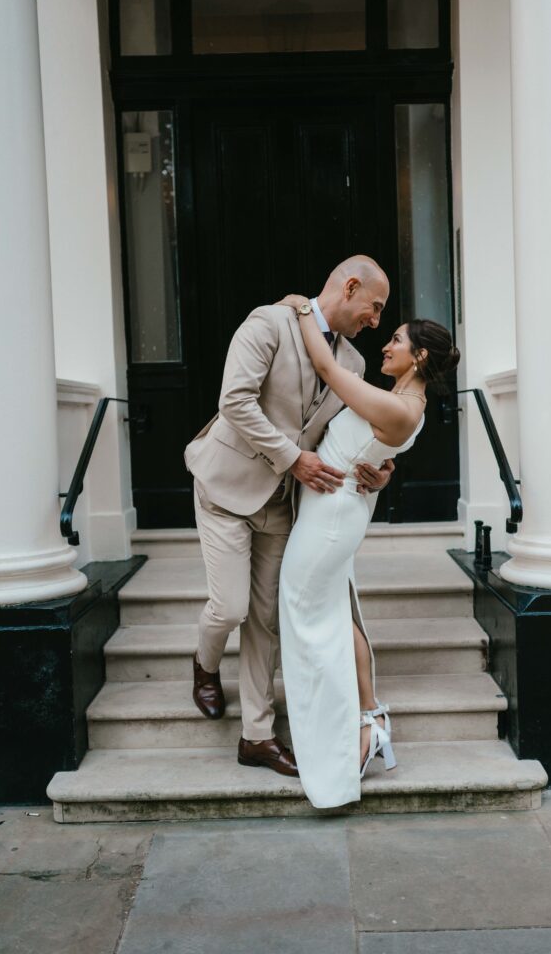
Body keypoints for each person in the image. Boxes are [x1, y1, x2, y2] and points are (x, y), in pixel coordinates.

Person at [183, 256, 393, 777]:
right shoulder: (269, 322)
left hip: (283, 504)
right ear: (349, 288)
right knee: (229, 608)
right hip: (226, 488)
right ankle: (204, 664)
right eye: (375, 306)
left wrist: (378, 471)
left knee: (266, 619)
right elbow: (235, 401)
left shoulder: (357, 366)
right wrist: (292, 458)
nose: (377, 321)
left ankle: (256, 735)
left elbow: (345, 437)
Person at [277, 294, 460, 808]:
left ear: (420, 357)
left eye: (397, 339)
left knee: (308, 620)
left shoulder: (402, 407)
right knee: (334, 612)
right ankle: (370, 717)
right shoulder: (398, 402)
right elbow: (372, 447)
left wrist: (301, 309)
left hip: (331, 519)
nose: (386, 343)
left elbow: (325, 366)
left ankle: (340, 746)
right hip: (336, 512)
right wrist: (383, 471)